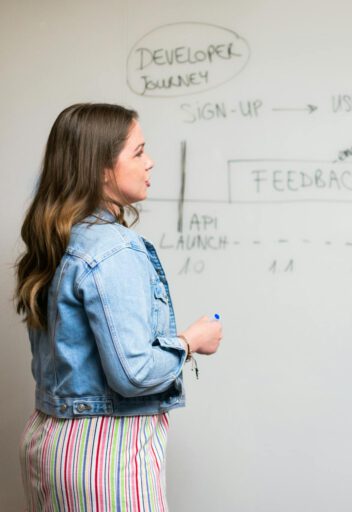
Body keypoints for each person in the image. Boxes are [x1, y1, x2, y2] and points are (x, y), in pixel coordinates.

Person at [15, 103, 223, 510]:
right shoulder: (114, 248)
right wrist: (190, 340)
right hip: (105, 454)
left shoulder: (58, 238)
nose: (151, 162)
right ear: (102, 168)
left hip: (48, 443)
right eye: (138, 152)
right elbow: (134, 373)